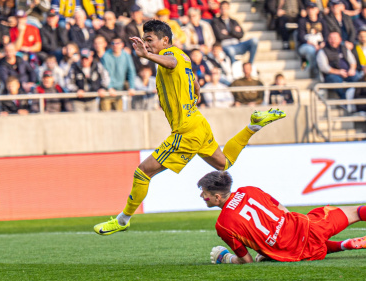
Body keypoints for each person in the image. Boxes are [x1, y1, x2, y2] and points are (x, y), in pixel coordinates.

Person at [93, 20, 286, 235]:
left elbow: (171, 63)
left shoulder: (172, 56)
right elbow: (194, 82)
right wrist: (192, 90)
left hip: (186, 131)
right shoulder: (184, 56)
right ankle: (253, 126)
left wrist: (146, 56)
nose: (146, 45)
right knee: (224, 163)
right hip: (198, 123)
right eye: (145, 41)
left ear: (165, 40)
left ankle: (122, 220)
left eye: (150, 40)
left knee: (142, 173)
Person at [200, 171, 366, 264]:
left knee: (308, 246)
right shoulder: (249, 190)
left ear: (217, 197)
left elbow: (247, 260)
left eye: (204, 193)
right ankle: (344, 243)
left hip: (291, 253)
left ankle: (345, 245)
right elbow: (282, 209)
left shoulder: (223, 225)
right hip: (310, 226)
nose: (201, 195)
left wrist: (225, 258)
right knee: (357, 212)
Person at [317, 32, 360, 99]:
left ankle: (357, 99)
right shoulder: (323, 51)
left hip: (347, 73)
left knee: (358, 77)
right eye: (331, 38)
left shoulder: (344, 48)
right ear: (328, 39)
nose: (333, 40)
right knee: (335, 80)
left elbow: (353, 61)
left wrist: (352, 69)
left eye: (335, 38)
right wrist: (338, 72)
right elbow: (324, 67)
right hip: (332, 75)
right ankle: (344, 100)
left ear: (340, 39)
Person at [66, 48, 109, 112]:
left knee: (93, 120)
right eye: (82, 59)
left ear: (91, 58)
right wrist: (76, 90)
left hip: (93, 99)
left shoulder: (97, 65)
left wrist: (102, 88)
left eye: (86, 58)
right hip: (78, 100)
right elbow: (68, 82)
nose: (84, 61)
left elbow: (105, 78)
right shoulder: (74, 67)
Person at [101, 36, 136, 111]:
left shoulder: (126, 55)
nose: (115, 45)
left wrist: (132, 87)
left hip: (120, 90)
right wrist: (109, 87)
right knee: (105, 115)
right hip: (107, 90)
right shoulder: (105, 56)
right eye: (113, 43)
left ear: (122, 44)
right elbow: (104, 74)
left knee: (119, 114)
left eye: (117, 43)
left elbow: (131, 72)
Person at [297, 2, 329, 79]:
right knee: (311, 51)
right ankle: (314, 71)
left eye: (312, 9)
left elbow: (326, 35)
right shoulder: (302, 21)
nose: (311, 11)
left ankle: (324, 73)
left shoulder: (322, 21)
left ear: (317, 10)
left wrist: (322, 44)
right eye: (309, 9)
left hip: (320, 44)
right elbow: (301, 37)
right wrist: (313, 45)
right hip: (305, 46)